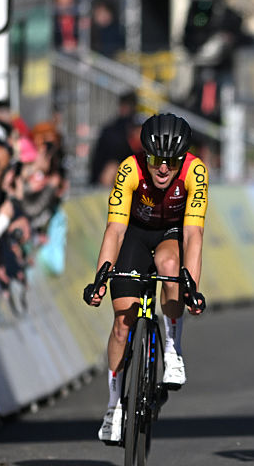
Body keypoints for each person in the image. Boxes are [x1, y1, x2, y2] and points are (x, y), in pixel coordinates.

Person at [83, 113, 208, 444]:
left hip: (171, 231)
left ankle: (172, 347)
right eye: (156, 160)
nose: (163, 169)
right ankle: (113, 407)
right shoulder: (129, 168)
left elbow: (193, 235)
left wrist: (191, 287)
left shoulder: (195, 170)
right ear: (145, 155)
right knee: (123, 321)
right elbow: (115, 229)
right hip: (136, 234)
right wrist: (100, 277)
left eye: (171, 161)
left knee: (169, 263)